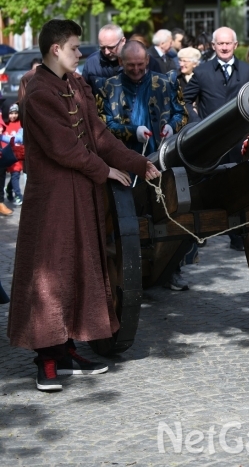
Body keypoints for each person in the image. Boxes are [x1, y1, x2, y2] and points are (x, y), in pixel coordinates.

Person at [6, 19, 162, 391]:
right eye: (75, 47)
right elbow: (64, 148)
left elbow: (99, 135)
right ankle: (45, 357)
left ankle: (65, 349)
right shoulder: (37, 89)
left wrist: (138, 162)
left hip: (80, 195)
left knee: (76, 267)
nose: (82, 54)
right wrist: (105, 169)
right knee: (49, 273)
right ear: (56, 49)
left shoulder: (76, 84)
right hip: (52, 199)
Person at [182, 27, 249, 251]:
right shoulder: (202, 71)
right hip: (209, 142)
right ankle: (201, 234)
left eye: (228, 43)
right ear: (213, 46)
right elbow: (184, 100)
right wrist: (196, 122)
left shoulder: (248, 71)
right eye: (220, 44)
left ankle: (238, 236)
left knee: (237, 187)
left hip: (238, 140)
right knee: (205, 186)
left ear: (235, 45)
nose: (224, 47)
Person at [96, 41, 187, 156]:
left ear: (147, 60)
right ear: (120, 61)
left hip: (163, 157)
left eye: (140, 64)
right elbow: (103, 124)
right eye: (130, 65)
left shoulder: (166, 82)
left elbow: (182, 114)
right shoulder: (107, 87)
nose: (136, 69)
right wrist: (133, 132)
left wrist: (172, 126)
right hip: (124, 159)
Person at [82, 24, 161, 95]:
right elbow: (85, 95)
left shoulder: (146, 61)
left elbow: (159, 91)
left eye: (111, 47)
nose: (106, 52)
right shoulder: (91, 63)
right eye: (102, 47)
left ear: (123, 41)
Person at [1, 103, 24, 205]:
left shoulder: (21, 125)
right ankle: (14, 194)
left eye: (15, 113)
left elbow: (18, 139)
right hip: (5, 156)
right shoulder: (5, 125)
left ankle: (15, 194)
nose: (13, 115)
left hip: (16, 156)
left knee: (15, 176)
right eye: (11, 113)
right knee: (14, 176)